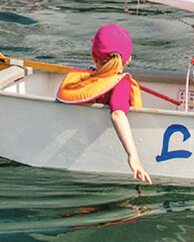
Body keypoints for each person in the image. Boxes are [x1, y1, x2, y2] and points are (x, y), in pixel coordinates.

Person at [56, 23, 152, 184]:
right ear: (128, 60)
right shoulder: (122, 84)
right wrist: (133, 155)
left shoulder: (84, 81)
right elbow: (117, 114)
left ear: (93, 57)